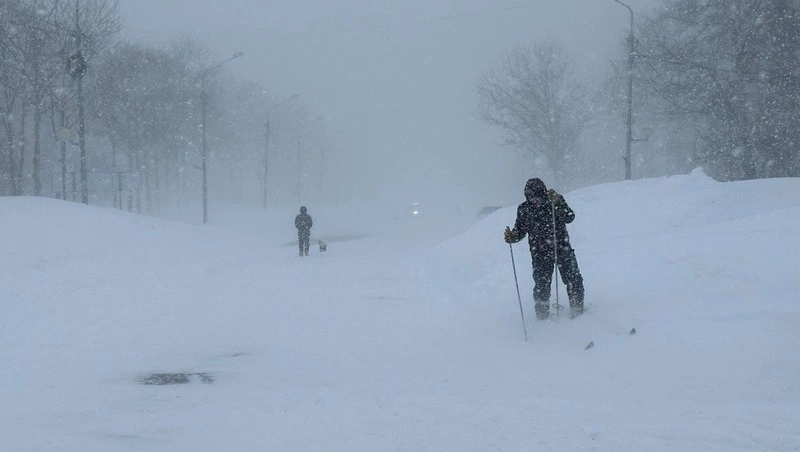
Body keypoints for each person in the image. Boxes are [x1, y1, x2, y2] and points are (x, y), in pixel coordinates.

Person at [504, 178, 584, 319]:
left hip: (562, 248)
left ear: (543, 193)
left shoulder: (554, 201)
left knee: (573, 280)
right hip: (539, 253)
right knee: (541, 285)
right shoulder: (524, 209)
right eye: (531, 197)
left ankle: (577, 310)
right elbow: (520, 231)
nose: (535, 200)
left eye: (537, 196)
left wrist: (558, 202)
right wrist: (512, 237)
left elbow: (569, 217)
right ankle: (542, 316)